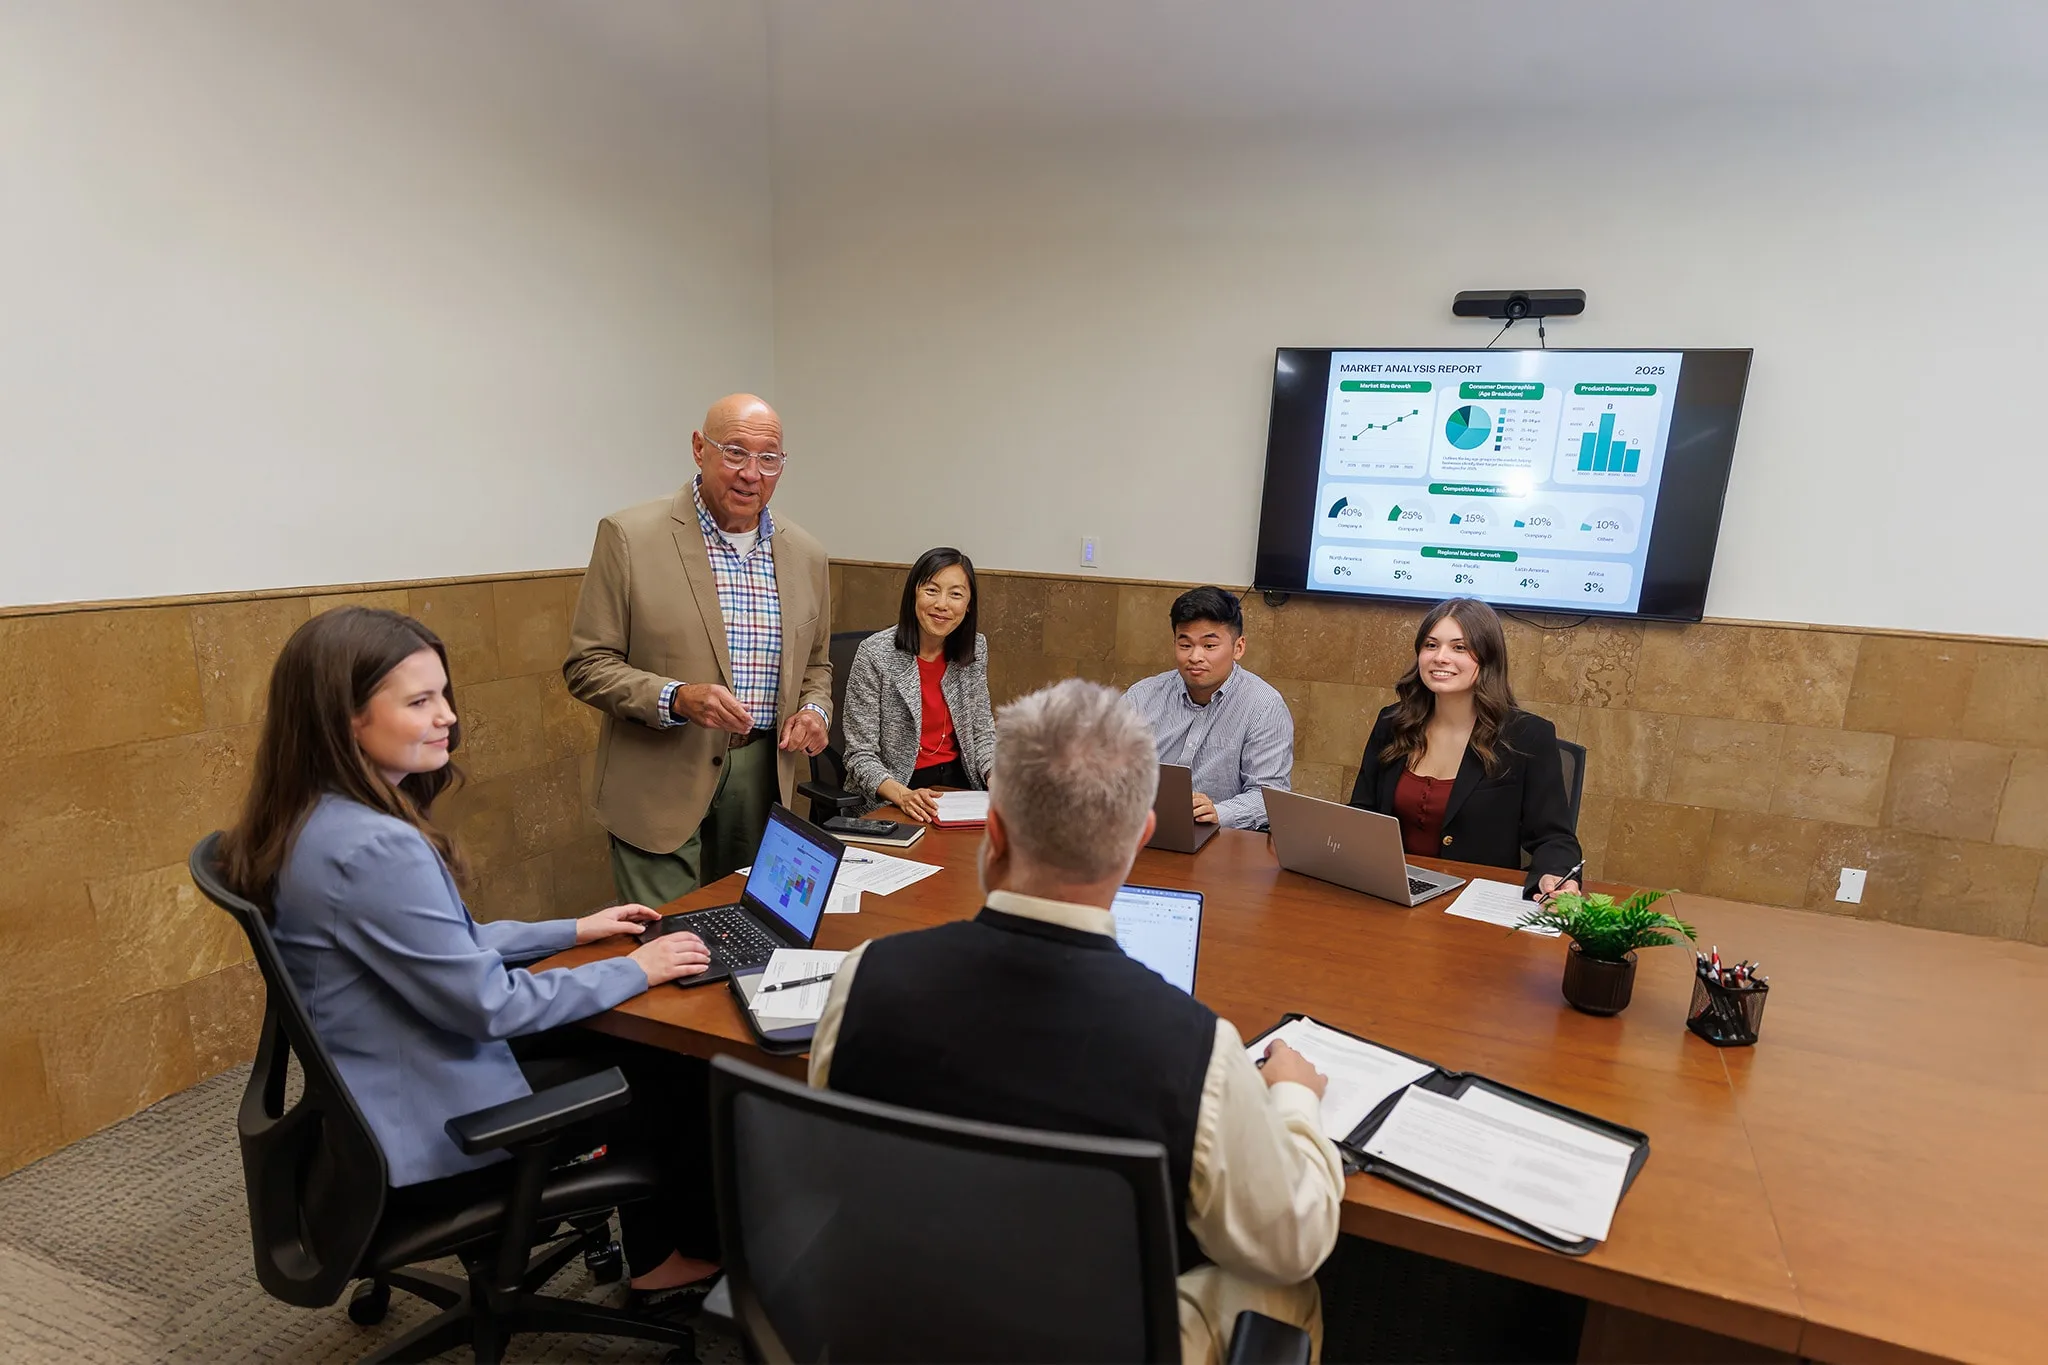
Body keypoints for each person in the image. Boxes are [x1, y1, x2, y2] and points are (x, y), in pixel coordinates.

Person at [809, 680, 1345, 1364]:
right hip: (1090, 1340)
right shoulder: (1195, 1050)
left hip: (893, 1319)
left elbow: (830, 1159)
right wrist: (1294, 1098)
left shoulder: (864, 975)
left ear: (993, 828)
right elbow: (1290, 1241)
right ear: (1141, 836)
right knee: (1286, 1287)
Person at [218, 607, 720, 1299]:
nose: (447, 715)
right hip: (443, 1121)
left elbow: (436, 949)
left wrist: (572, 931)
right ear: (345, 719)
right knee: (677, 1068)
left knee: (619, 1038)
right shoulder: (378, 847)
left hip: (378, 1093)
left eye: (443, 694)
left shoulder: (308, 818)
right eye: (420, 701)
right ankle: (667, 1258)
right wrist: (636, 967)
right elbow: (490, 1004)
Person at [565, 393, 833, 906]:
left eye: (768, 458)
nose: (751, 473)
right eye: (734, 452)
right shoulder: (628, 537)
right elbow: (587, 665)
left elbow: (816, 663)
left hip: (763, 774)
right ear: (698, 448)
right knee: (674, 945)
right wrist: (677, 697)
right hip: (658, 776)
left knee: (751, 930)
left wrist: (816, 709)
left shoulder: (807, 555)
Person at [1347, 597, 1582, 899]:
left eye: (1459, 648)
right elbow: (1362, 812)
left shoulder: (1527, 735)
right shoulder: (1393, 722)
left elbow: (1554, 837)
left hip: (1475, 900)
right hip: (1390, 892)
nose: (1440, 657)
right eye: (1431, 645)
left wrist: (1556, 875)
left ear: (1488, 658)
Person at [840, 546, 997, 822]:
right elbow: (859, 756)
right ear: (914, 593)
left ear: (968, 604)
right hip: (896, 790)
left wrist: (995, 776)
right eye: (932, 590)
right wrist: (902, 795)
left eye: (956, 594)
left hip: (961, 789)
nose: (942, 604)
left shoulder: (975, 649)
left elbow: (982, 733)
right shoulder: (875, 654)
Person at [1122, 586, 1294, 831]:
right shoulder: (1142, 696)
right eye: (1185, 645)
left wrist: (1218, 812)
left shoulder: (1264, 706)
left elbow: (1268, 796)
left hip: (1224, 840)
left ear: (1238, 648)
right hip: (1145, 831)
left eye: (1209, 646)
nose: (1195, 657)